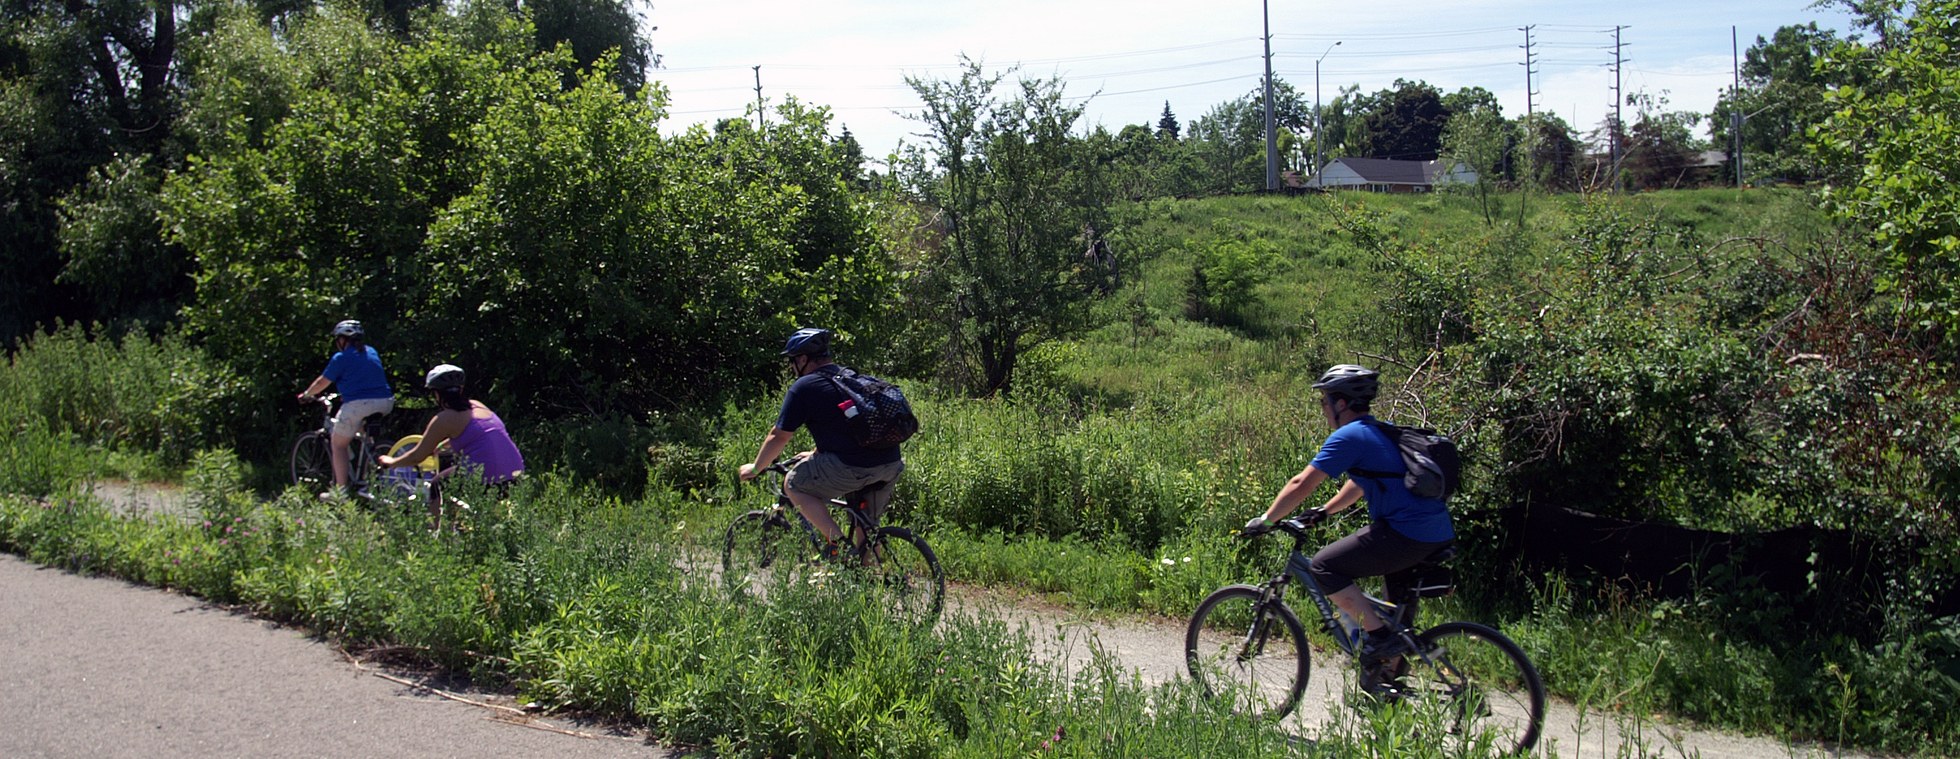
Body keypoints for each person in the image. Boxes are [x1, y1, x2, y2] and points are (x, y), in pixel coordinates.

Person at [1242, 364, 1455, 667]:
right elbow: (1359, 482)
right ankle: (1385, 687)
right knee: (1395, 620)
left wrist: (1266, 521)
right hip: (1434, 533)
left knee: (1324, 566)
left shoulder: (1350, 436)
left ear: (1341, 404)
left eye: (1324, 401)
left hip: (1406, 535)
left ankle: (1379, 640)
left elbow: (1302, 483)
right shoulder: (1381, 430)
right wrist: (1325, 511)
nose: (1323, 409)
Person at [737, 327, 904, 554]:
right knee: (865, 527)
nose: (792, 367)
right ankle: (873, 579)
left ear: (803, 359)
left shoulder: (805, 386)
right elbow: (848, 427)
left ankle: (839, 546)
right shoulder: (848, 379)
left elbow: (779, 436)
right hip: (890, 462)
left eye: (793, 361)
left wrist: (756, 468)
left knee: (793, 483)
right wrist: (816, 453)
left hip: (853, 467)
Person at [378, 364, 525, 528]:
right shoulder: (477, 405)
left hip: (488, 477)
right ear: (460, 390)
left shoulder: (444, 418)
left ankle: (441, 535)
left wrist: (391, 462)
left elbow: (417, 456)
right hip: (516, 474)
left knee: (436, 485)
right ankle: (468, 526)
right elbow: (477, 432)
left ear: (436, 394)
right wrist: (442, 445)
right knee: (457, 482)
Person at [296, 320, 395, 500]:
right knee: (362, 431)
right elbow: (365, 377)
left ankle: (340, 493)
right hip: (385, 401)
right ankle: (369, 468)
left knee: (338, 444)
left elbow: (322, 383)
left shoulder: (341, 357)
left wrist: (306, 394)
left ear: (343, 339)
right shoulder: (371, 351)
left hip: (359, 404)